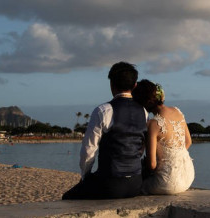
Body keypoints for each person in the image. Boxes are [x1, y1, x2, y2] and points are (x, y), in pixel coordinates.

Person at [62, 62, 148, 200]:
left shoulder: (104, 110)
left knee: (67, 197)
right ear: (135, 85)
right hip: (135, 183)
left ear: (111, 84)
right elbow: (140, 147)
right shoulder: (143, 111)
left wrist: (85, 176)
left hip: (111, 184)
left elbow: (89, 149)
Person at [133, 79, 194, 194]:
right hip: (188, 175)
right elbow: (188, 142)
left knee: (135, 186)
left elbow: (152, 165)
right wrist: (173, 160)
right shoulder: (177, 111)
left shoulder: (153, 123)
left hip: (168, 182)